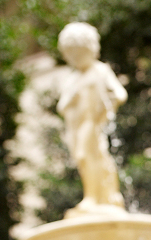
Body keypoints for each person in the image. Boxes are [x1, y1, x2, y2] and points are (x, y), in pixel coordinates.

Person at [56, 21, 127, 215]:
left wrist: (104, 112)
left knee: (85, 155)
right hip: (74, 128)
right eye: (72, 54)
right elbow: (62, 106)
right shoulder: (72, 79)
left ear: (91, 49)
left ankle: (93, 198)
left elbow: (120, 94)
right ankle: (97, 195)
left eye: (80, 53)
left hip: (90, 123)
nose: (76, 58)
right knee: (85, 160)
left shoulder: (100, 70)